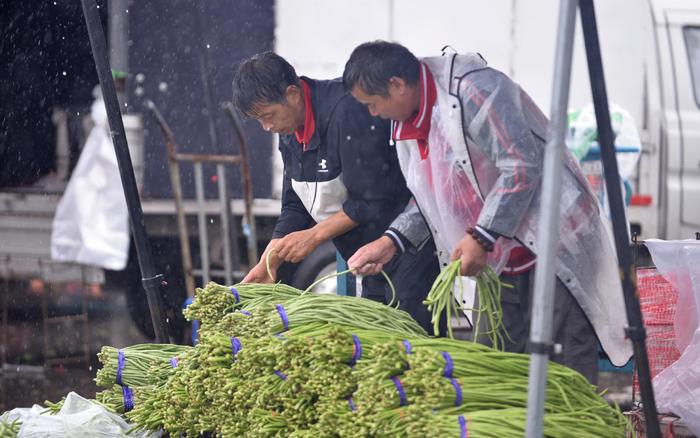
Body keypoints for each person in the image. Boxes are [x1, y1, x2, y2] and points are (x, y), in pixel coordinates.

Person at [342, 41, 633, 383]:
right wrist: (392, 241)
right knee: (492, 363)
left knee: (563, 361)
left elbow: (521, 166)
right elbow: (434, 196)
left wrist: (481, 235)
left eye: (373, 104)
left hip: (553, 236)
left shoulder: (474, 90)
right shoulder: (408, 123)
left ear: (397, 85)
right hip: (500, 252)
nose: (372, 114)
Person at [231, 51, 440, 332]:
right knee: (379, 343)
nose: (267, 127)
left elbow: (372, 200)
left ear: (292, 94)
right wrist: (268, 263)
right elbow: (294, 206)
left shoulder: (347, 111)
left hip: (405, 247)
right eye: (259, 120)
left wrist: (314, 236)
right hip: (366, 258)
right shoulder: (289, 131)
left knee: (414, 339)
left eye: (268, 116)